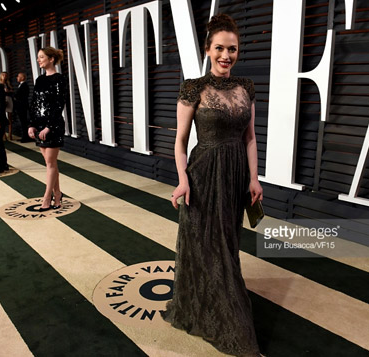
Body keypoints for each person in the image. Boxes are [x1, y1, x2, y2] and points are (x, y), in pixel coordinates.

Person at [161, 14, 263, 357]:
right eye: (219, 48)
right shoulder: (193, 87)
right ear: (208, 50)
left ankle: (217, 306)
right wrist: (182, 179)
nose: (226, 55)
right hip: (203, 176)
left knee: (227, 246)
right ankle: (225, 321)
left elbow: (250, 139)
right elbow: (179, 142)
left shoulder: (246, 88)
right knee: (207, 246)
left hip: (234, 177)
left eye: (232, 49)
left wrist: (253, 177)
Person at [28, 47, 67, 212]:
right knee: (50, 164)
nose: (39, 60)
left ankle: (47, 198)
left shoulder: (60, 79)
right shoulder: (39, 80)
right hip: (40, 127)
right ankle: (57, 194)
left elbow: (59, 105)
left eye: (42, 57)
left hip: (53, 126)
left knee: (50, 164)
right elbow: (34, 104)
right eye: (38, 57)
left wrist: (49, 127)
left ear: (51, 59)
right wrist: (32, 124)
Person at [14, 72, 31, 142]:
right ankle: (24, 136)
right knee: (22, 122)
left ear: (22, 78)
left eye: (18, 76)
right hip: (20, 106)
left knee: (24, 122)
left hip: (22, 107)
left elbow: (21, 96)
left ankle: (25, 137)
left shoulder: (24, 85)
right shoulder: (21, 85)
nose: (17, 78)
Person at [0, 71, 14, 140]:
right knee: (2, 118)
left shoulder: (9, 83)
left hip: (9, 99)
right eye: (3, 75)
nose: (4, 76)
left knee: (10, 118)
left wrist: (9, 91)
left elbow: (12, 91)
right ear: (1, 76)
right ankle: (3, 134)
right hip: (2, 100)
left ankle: (10, 134)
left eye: (6, 75)